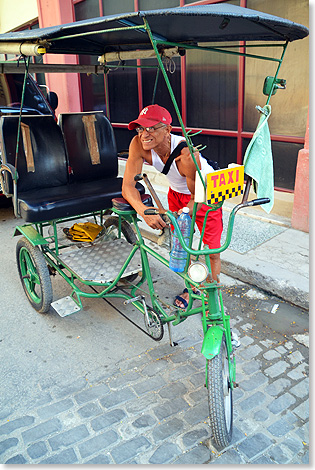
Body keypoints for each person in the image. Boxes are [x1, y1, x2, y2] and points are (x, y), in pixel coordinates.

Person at [122, 104, 223, 309]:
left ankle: (213, 292)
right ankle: (191, 286)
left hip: (204, 195)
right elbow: (127, 187)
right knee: (181, 245)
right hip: (176, 193)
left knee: (212, 250)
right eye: (141, 128)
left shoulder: (187, 156)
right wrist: (144, 212)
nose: (144, 134)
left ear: (167, 130)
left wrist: (181, 215)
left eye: (151, 128)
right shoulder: (138, 143)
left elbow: (196, 198)